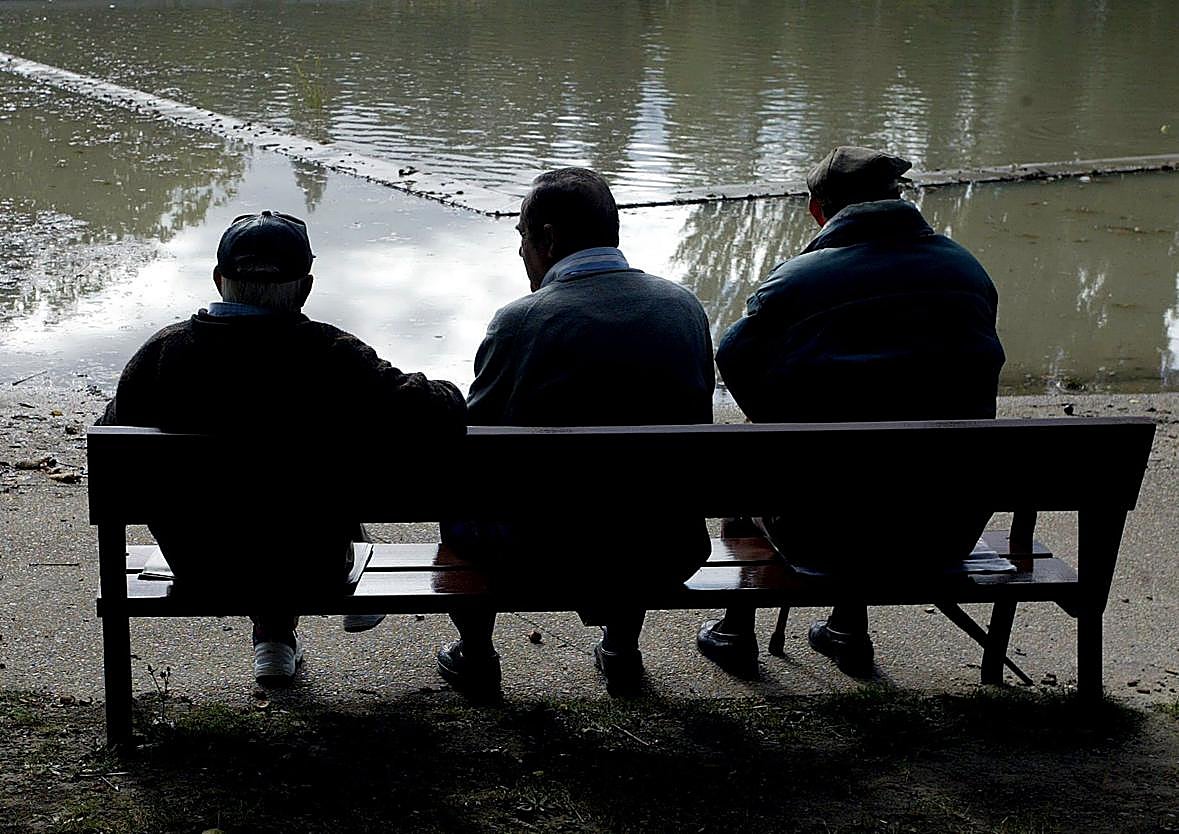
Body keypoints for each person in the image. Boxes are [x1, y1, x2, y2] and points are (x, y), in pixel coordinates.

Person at [97, 210, 466, 687]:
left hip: (202, 565)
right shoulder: (332, 355)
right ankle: (296, 620)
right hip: (315, 568)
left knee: (252, 502)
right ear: (306, 287)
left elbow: (111, 445)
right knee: (300, 494)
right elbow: (434, 413)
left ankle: (273, 641)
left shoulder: (165, 354)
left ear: (218, 279)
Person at [696, 146, 1006, 677]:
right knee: (881, 452)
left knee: (769, 454)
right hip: (944, 527)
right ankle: (846, 630)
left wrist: (778, 421)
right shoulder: (967, 271)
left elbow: (733, 355)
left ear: (820, 211)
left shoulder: (797, 281)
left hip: (825, 536)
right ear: (897, 198)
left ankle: (735, 631)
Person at [437, 167, 715, 695]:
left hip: (541, 555)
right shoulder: (684, 308)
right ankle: (621, 647)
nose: (520, 252)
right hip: (662, 548)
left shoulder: (521, 320)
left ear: (547, 237)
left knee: (466, 499)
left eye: (521, 236)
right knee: (639, 491)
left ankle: (476, 654)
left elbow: (473, 444)